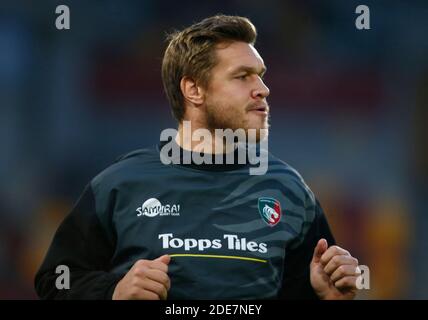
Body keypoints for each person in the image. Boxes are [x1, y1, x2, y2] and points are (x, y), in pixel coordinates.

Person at [35, 15, 360, 300]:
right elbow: (56, 280)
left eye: (260, 75)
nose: (263, 88)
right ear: (194, 90)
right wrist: (113, 292)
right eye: (242, 75)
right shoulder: (120, 184)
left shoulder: (290, 190)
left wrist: (322, 297)